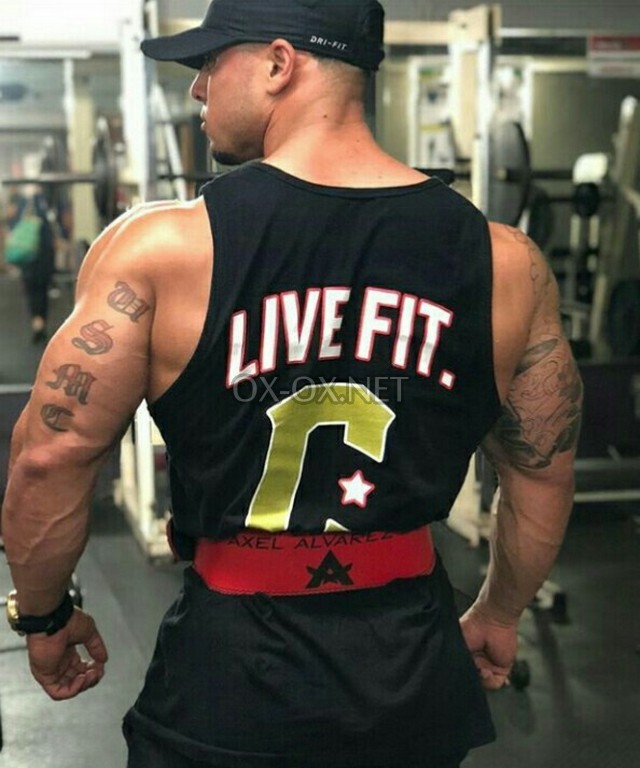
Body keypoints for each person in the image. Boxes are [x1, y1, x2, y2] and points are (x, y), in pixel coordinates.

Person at [1, 1, 582, 766]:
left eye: (211, 62)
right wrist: (500, 612)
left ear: (279, 64)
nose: (198, 88)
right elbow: (541, 472)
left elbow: (50, 459)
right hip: (410, 668)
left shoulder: (161, 250)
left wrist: (44, 618)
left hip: (232, 676)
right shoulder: (506, 262)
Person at [5, 188, 56, 343]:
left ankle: (37, 322)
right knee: (41, 291)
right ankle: (41, 322)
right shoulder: (42, 202)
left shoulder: (21, 203)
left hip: (29, 256)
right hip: (42, 255)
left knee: (32, 291)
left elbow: (13, 225)